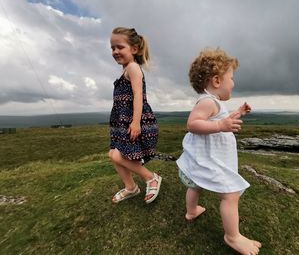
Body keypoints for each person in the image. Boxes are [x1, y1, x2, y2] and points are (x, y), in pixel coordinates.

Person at [177, 48, 262, 255]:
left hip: (202, 161)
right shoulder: (207, 102)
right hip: (209, 161)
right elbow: (193, 124)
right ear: (216, 81)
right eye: (231, 78)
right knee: (231, 195)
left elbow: (219, 119)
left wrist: (239, 113)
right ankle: (232, 236)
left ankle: (192, 211)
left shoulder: (213, 104)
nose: (233, 83)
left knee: (195, 186)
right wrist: (220, 127)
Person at [108, 27, 161, 204]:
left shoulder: (133, 68)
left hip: (134, 120)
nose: (115, 51)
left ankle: (151, 177)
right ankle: (131, 187)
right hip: (122, 121)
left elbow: (138, 95)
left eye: (119, 47)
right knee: (113, 154)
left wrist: (136, 122)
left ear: (134, 49)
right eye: (112, 48)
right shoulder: (126, 70)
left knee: (117, 155)